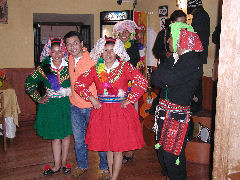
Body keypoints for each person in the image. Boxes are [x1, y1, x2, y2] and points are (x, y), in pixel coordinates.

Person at [74, 36, 148, 180]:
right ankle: (110, 172)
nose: (108, 54)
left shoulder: (125, 67)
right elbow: (79, 84)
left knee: (118, 148)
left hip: (120, 112)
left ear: (118, 52)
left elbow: (141, 82)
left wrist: (130, 99)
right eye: (105, 50)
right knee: (108, 147)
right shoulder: (95, 69)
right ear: (100, 53)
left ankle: (114, 177)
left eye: (112, 51)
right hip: (102, 112)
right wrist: (92, 99)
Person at [151, 22, 203, 180]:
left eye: (171, 37)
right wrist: (166, 74)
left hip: (177, 117)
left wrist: (165, 76)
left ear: (180, 38)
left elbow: (165, 78)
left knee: (172, 158)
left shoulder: (191, 60)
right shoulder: (175, 58)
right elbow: (155, 79)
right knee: (163, 155)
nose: (168, 41)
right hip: (164, 114)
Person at [63, 31, 109, 179]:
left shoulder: (93, 59)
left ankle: (104, 167)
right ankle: (82, 165)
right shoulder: (69, 59)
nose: (72, 47)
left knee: (99, 138)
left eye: (75, 43)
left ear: (82, 44)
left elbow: (104, 79)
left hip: (92, 107)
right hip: (75, 106)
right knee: (78, 140)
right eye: (69, 44)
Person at [25, 38, 72, 176]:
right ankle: (57, 165)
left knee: (66, 135)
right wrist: (38, 98)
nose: (57, 54)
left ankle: (64, 163)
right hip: (51, 106)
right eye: (53, 51)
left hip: (66, 105)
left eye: (60, 51)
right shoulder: (43, 68)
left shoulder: (70, 65)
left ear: (64, 52)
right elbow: (29, 83)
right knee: (55, 136)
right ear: (49, 53)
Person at [113, 20, 145, 164]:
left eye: (127, 31)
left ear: (131, 33)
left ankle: (130, 150)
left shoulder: (134, 47)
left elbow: (135, 68)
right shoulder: (112, 47)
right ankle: (118, 147)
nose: (124, 34)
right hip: (115, 87)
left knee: (130, 120)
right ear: (117, 33)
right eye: (122, 31)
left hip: (129, 88)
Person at [147, 10, 187, 116]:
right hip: (167, 69)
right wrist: (166, 54)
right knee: (165, 93)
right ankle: (157, 113)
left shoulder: (188, 35)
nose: (182, 26)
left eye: (184, 23)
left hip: (182, 70)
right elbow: (155, 51)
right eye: (179, 23)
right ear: (172, 23)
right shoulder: (163, 34)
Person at [188, 0, 210, 114]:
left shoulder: (200, 16)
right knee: (196, 80)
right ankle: (196, 107)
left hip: (196, 55)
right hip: (199, 54)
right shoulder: (203, 14)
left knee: (195, 82)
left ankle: (196, 107)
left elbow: (195, 37)